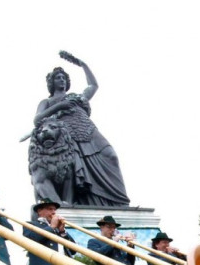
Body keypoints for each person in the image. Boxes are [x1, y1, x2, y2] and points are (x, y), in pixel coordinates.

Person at [33, 52, 130, 207]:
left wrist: (82, 64)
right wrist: (59, 106)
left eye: (64, 78)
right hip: (67, 134)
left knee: (111, 156)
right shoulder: (47, 101)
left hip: (89, 129)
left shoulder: (77, 97)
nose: (61, 80)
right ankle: (81, 201)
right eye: (58, 78)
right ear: (51, 82)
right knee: (74, 171)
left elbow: (93, 86)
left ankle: (118, 203)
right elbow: (37, 120)